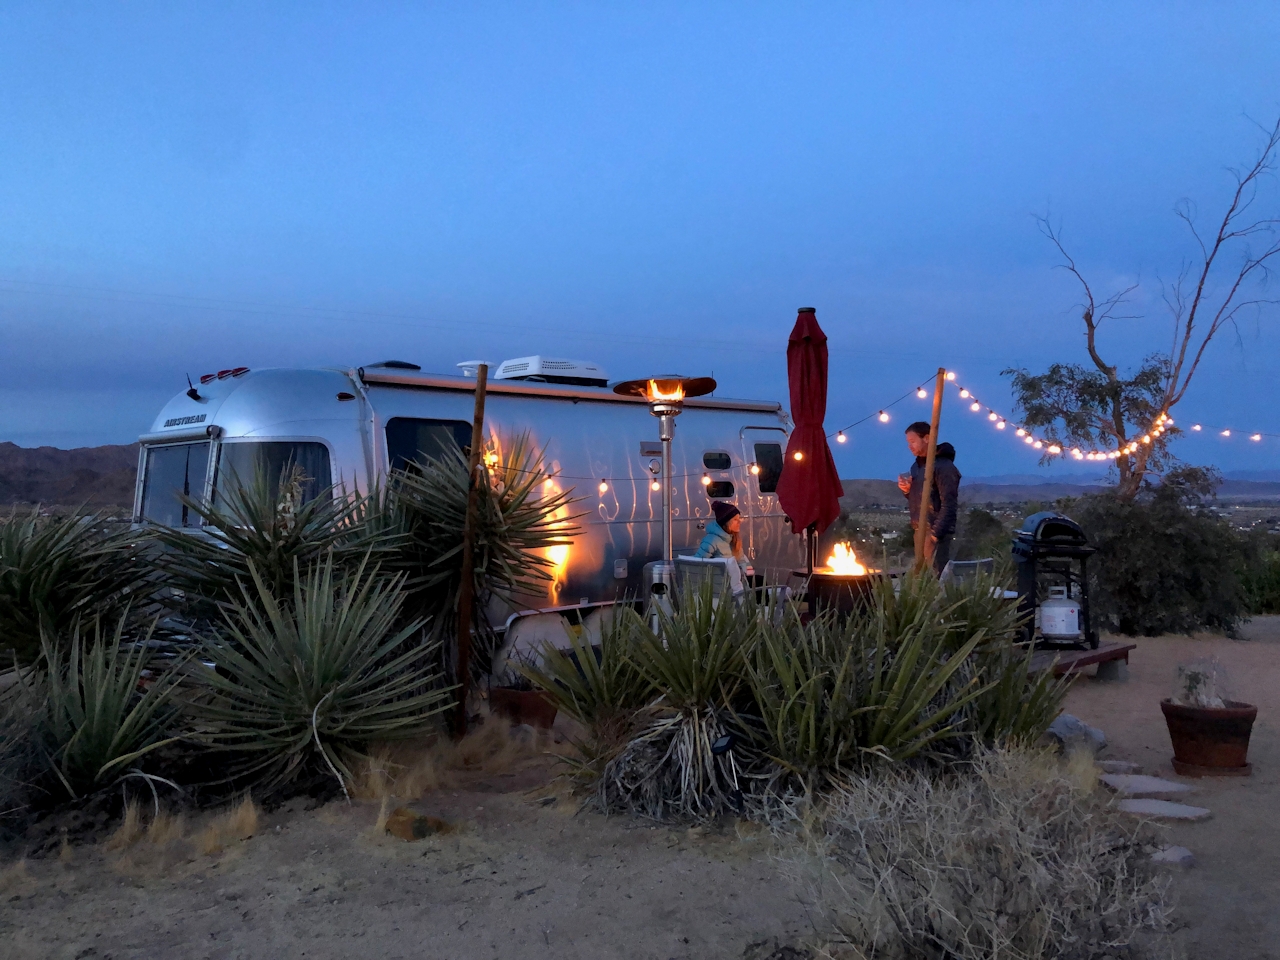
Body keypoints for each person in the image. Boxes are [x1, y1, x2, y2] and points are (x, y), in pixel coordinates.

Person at [897, 422, 961, 576]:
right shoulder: (917, 467)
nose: (909, 446)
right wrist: (908, 491)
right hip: (919, 530)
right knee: (921, 579)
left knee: (937, 578)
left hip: (934, 531)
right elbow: (925, 498)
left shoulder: (944, 467)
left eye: (912, 442)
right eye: (908, 443)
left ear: (926, 438)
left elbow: (949, 503)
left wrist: (934, 534)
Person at [694, 501, 750, 597]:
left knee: (761, 582)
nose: (739, 521)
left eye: (739, 518)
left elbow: (742, 561)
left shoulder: (734, 539)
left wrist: (751, 575)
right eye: (735, 519)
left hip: (736, 587)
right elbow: (697, 564)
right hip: (720, 592)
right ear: (727, 522)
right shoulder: (711, 540)